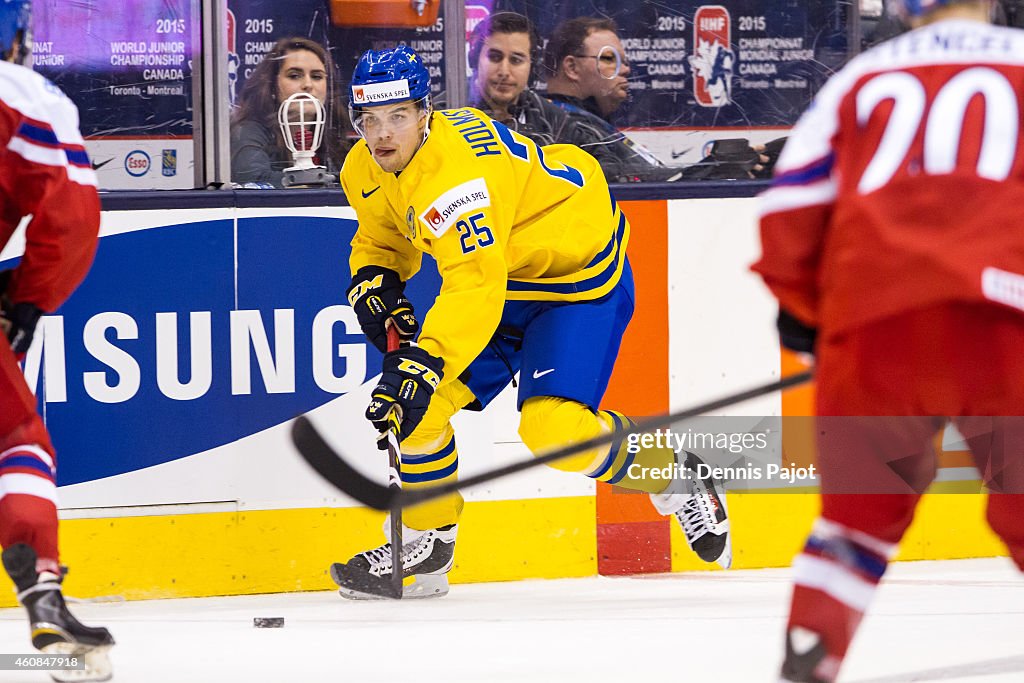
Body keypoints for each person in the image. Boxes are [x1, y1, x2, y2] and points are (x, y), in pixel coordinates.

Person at [330, 45, 733, 599]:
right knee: (417, 410)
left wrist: (423, 360)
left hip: (574, 280)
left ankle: (675, 470)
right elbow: (382, 237)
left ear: (426, 112)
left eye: (398, 115)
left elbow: (474, 286)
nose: (382, 134)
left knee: (553, 432)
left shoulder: (457, 183)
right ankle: (426, 551)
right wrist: (374, 277)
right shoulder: (364, 167)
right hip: (506, 275)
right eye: (369, 119)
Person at [752, 1, 1024, 680]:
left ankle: (811, 657)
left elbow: (788, 211)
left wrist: (816, 317)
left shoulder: (860, 78)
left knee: (856, 517)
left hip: (875, 325)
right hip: (1003, 321)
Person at [0, 2, 114, 679]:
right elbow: (71, 214)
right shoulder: (24, 92)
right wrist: (31, 299)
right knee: (18, 442)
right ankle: (43, 593)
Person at [543, 17, 774, 182]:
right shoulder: (559, 127)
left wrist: (721, 169)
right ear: (571, 67)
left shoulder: (590, 125)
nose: (625, 70)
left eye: (625, 61)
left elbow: (654, 182)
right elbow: (632, 186)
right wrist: (711, 170)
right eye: (609, 58)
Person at [230, 36, 351, 188]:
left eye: (317, 76)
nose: (308, 85)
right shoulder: (247, 132)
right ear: (272, 85)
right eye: (294, 76)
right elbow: (252, 179)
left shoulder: (335, 135)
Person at [467, 11, 578, 147]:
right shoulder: (444, 111)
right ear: (474, 59)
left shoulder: (549, 117)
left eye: (516, 60)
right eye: (495, 57)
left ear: (533, 67)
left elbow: (604, 160)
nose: (504, 71)